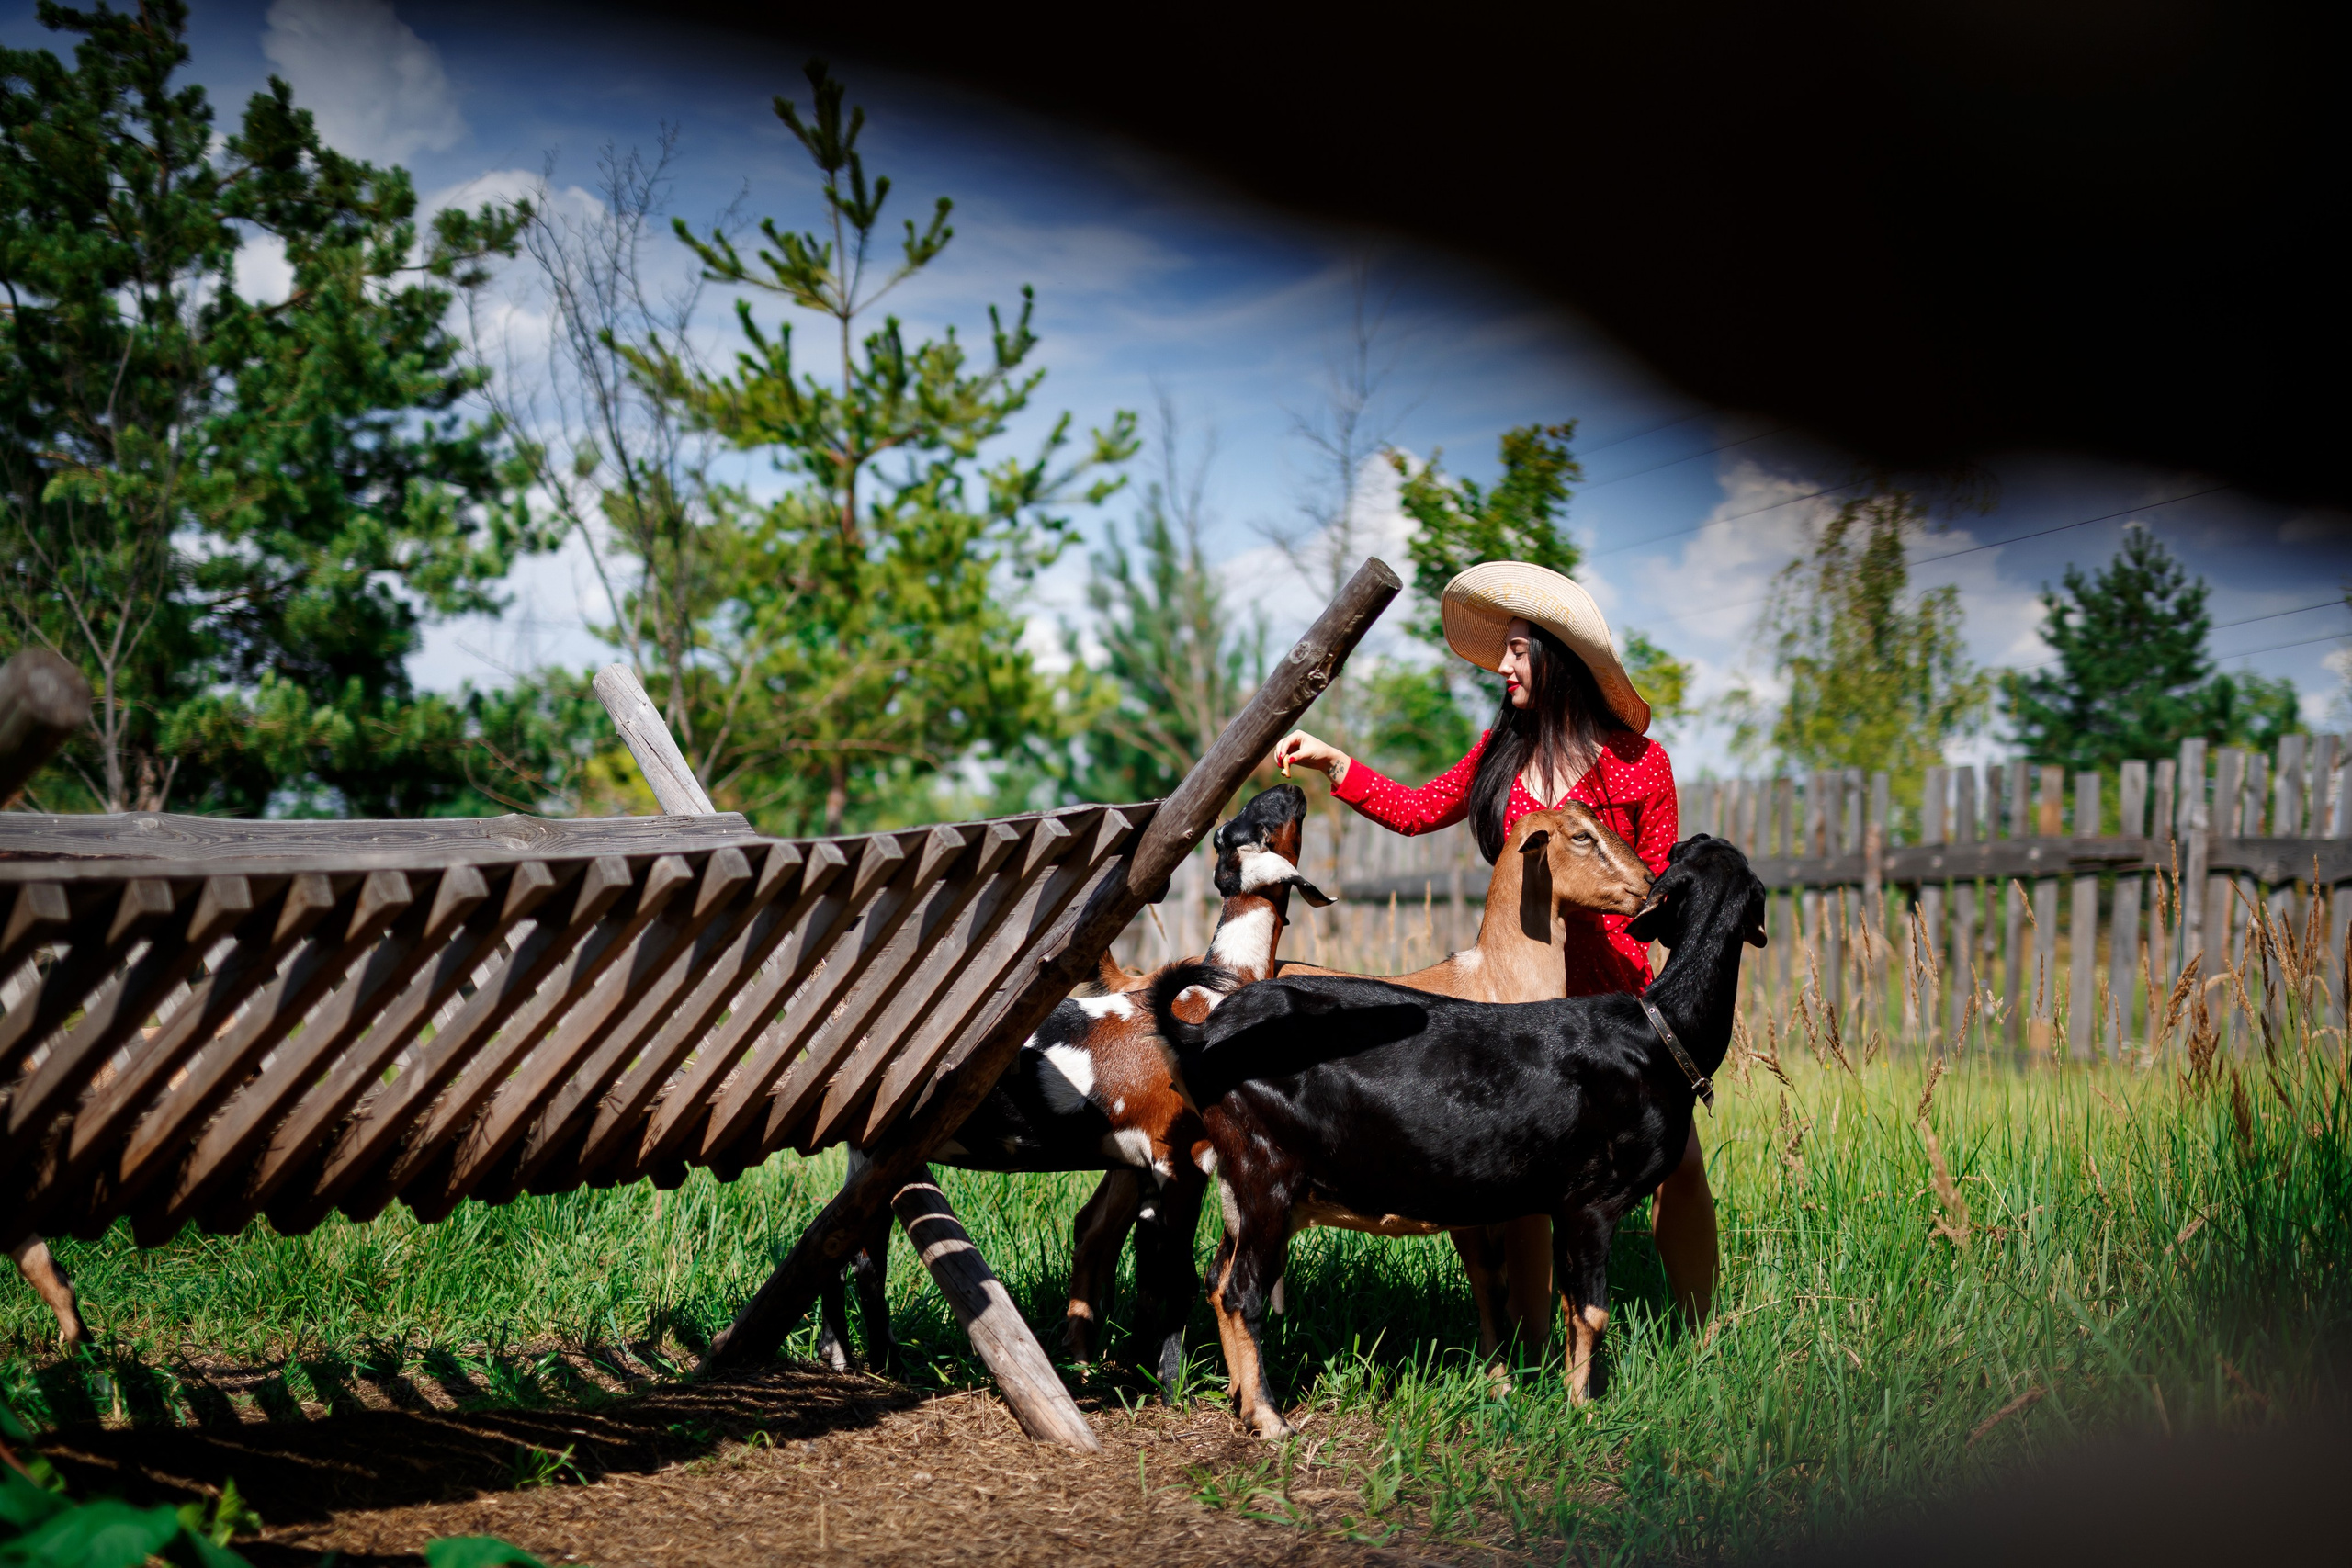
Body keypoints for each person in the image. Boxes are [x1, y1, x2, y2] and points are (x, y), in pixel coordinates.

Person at [1272, 559, 1718, 1330]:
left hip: (1615, 1002)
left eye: (1518, 649)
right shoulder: (1502, 752)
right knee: (1526, 1175)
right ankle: (1535, 1345)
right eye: (1505, 650)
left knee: (1677, 1159)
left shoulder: (1640, 765)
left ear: (1559, 657)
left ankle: (1702, 1328)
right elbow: (1417, 810)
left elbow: (1658, 886)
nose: (1503, 666)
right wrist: (1335, 764)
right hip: (1519, 1001)